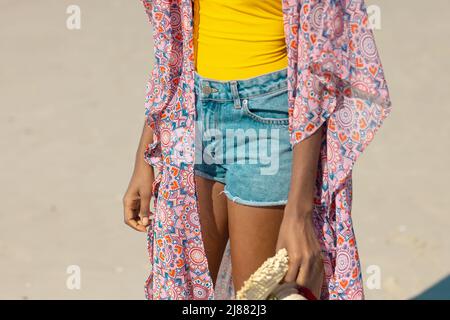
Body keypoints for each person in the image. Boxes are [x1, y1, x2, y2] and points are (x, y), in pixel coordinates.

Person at [123, 0, 392, 300]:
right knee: (180, 291)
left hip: (269, 114)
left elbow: (318, 62)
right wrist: (145, 149)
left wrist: (299, 212)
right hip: (191, 109)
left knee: (256, 298)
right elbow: (175, 35)